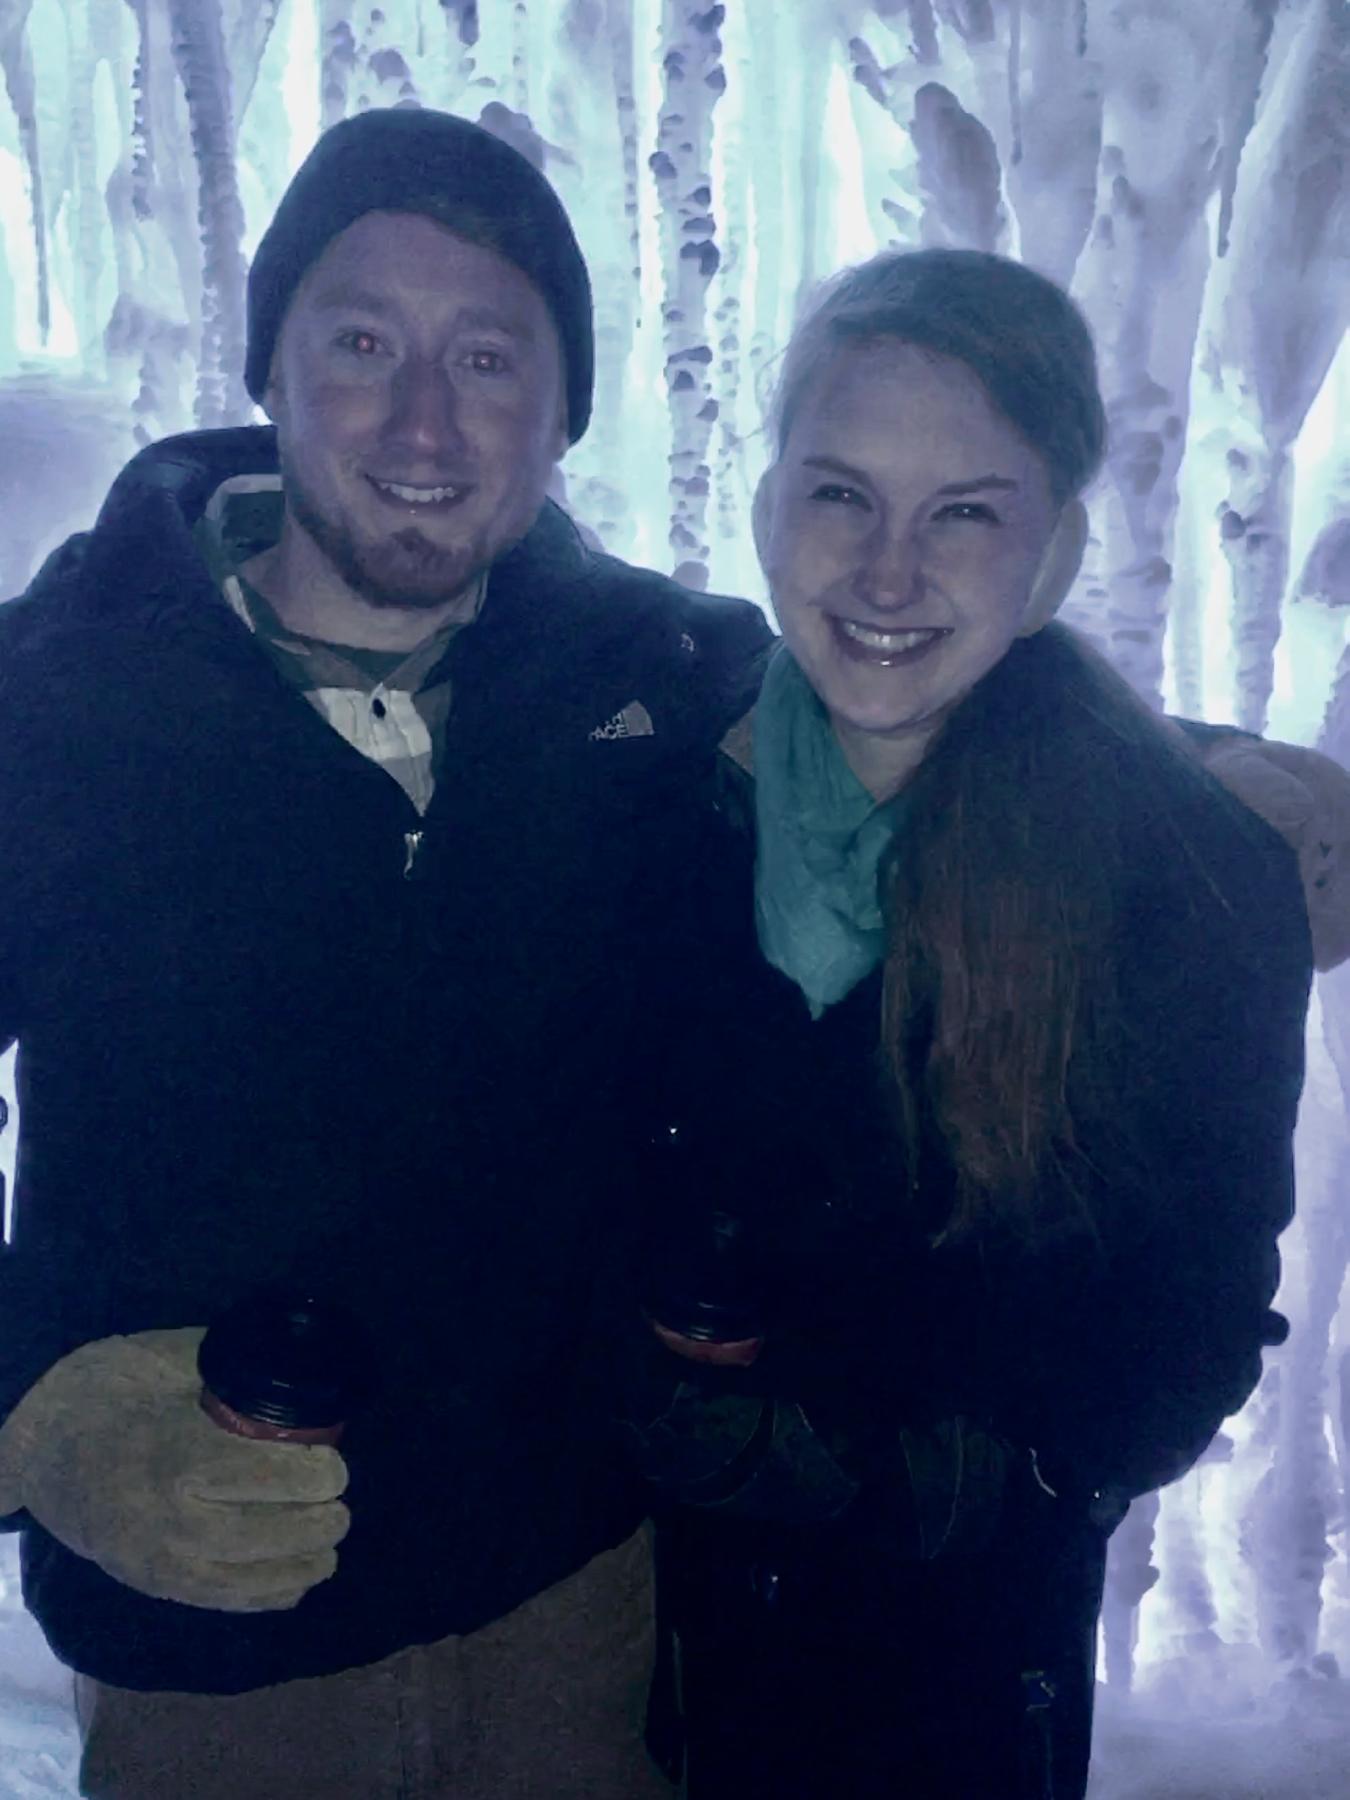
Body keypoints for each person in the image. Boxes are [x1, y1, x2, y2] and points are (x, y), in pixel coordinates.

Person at [0, 106, 770, 1799]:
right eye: (361, 341)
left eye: (488, 358)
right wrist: (27, 1415)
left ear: (561, 411)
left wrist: (1195, 782)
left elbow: (911, 725)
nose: (424, 420)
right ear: (268, 363)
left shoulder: (653, 679)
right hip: (212, 1659)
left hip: (575, 1606)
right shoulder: (50, 704)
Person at [618, 249, 1342, 1799]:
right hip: (625, 1640)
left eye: (964, 514)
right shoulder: (655, 797)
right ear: (763, 512)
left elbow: (1186, 1333)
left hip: (946, 1672)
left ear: (1058, 553)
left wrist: (908, 1441)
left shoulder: (1184, 879)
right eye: (840, 495)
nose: (889, 573)